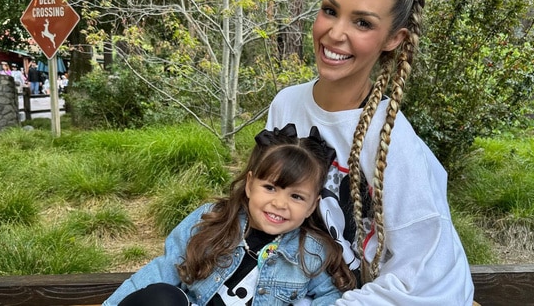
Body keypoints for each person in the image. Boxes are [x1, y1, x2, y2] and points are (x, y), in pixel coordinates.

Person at [266, 0, 474, 305]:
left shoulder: (393, 143)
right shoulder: (287, 106)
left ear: (394, 38)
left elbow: (433, 278)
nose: (335, 33)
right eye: (330, 10)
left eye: (362, 23)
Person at [104, 124, 356, 306]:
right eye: (270, 188)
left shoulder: (311, 251)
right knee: (162, 296)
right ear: (249, 185)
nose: (280, 203)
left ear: (312, 206)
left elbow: (330, 295)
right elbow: (165, 269)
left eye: (297, 196)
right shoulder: (211, 221)